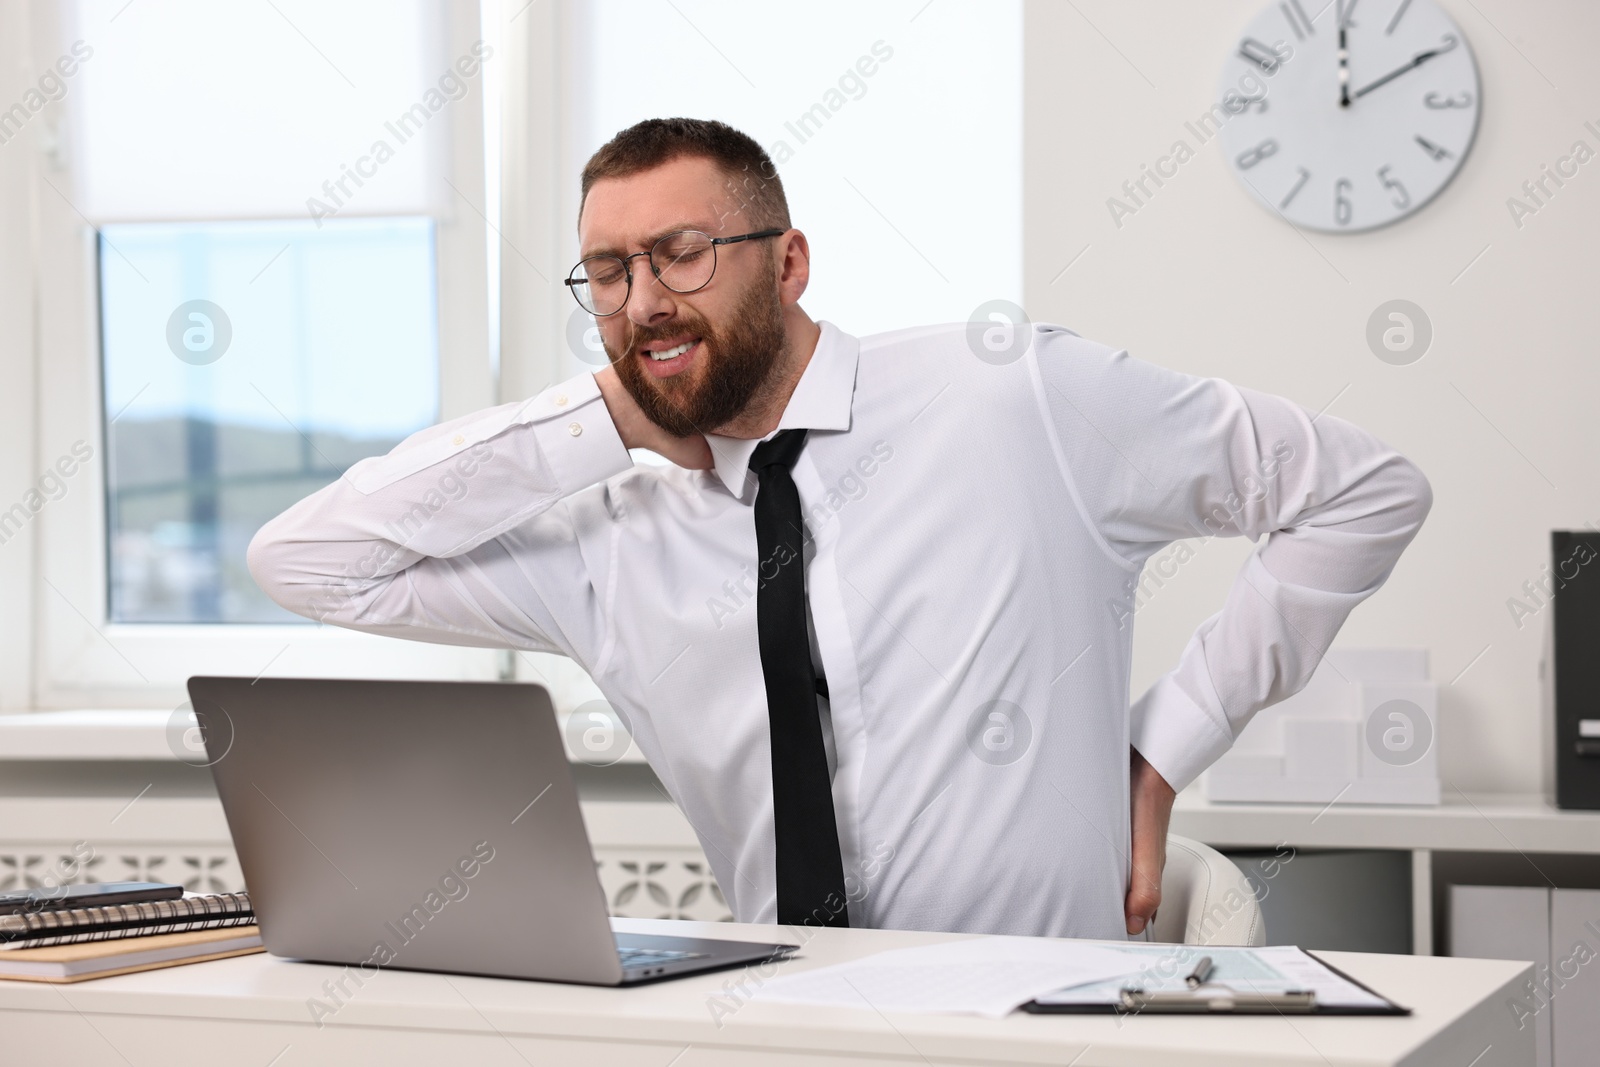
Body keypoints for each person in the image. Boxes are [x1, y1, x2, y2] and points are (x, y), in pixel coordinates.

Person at [248, 117, 1432, 942]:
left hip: (1034, 1017)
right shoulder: (613, 540)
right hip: (784, 1022)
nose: (643, 298)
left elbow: (1363, 489)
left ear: (791, 260)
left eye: (682, 253)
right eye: (606, 273)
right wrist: (597, 416)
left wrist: (1165, 743)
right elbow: (307, 559)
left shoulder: (1011, 399)